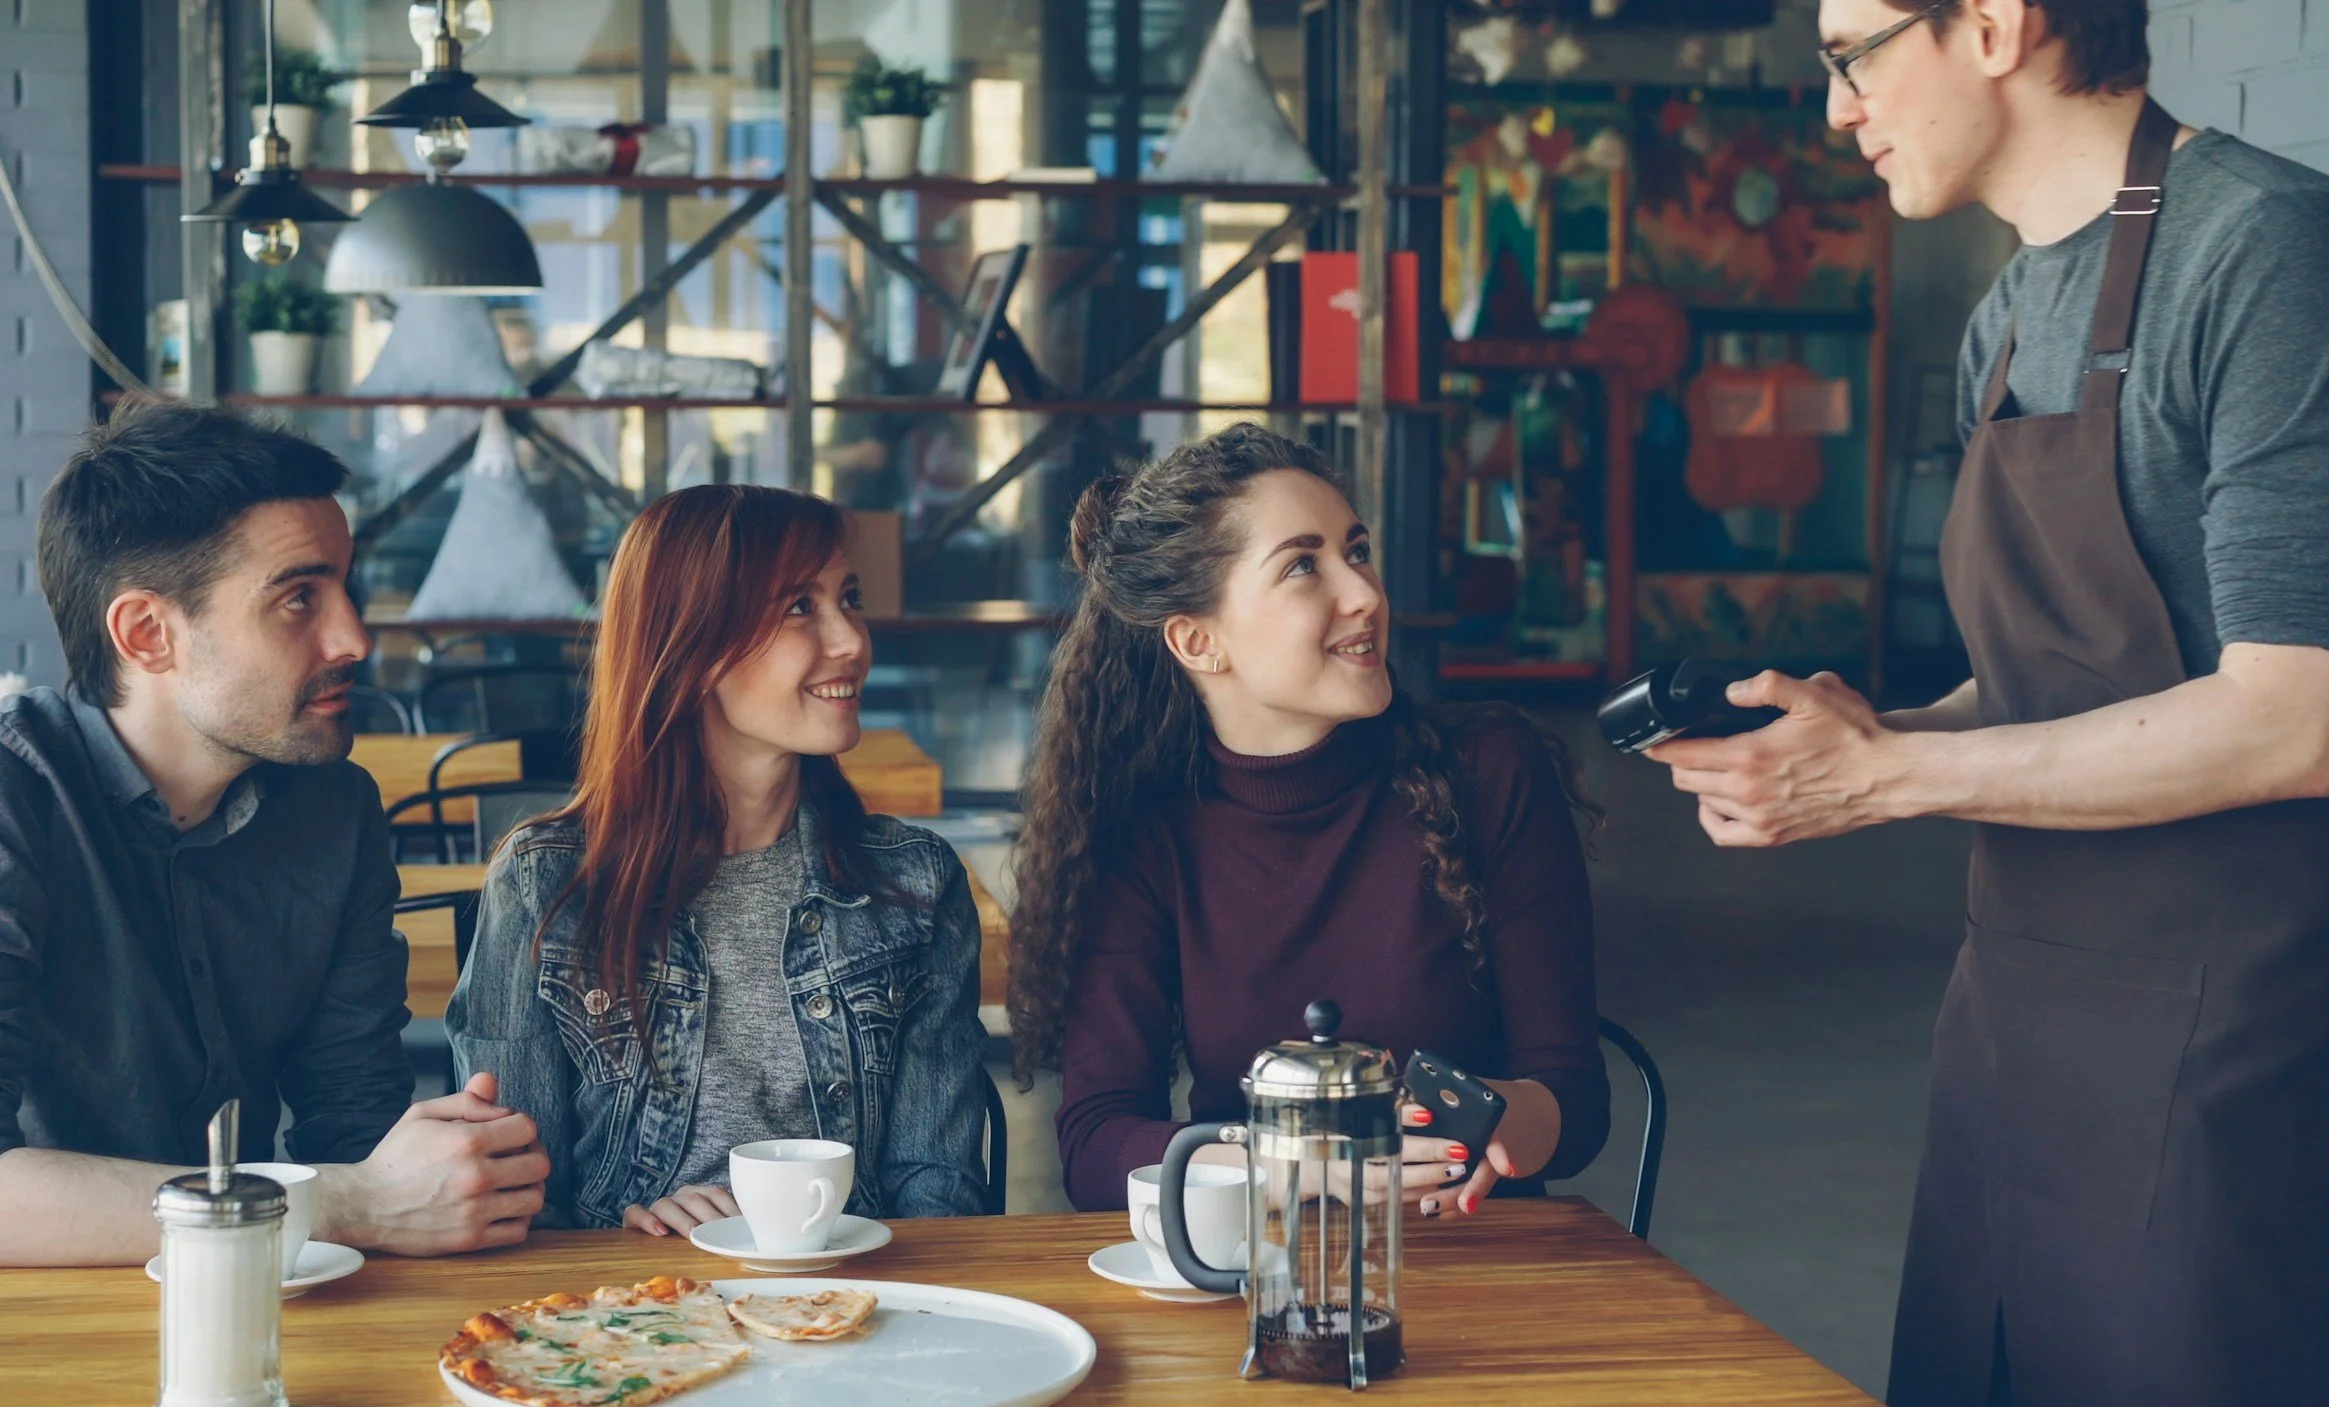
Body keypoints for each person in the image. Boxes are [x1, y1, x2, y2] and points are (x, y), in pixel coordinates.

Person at [1645, 3, 2329, 1402]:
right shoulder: (2009, 312)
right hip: (2014, 1023)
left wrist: (1891, 779)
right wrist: (1866, 738)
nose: (1836, 107)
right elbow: (2038, 693)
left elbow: (2300, 717)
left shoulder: (2272, 255)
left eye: (1852, 53)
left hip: (2225, 1040)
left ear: (1994, 25)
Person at [0, 401, 550, 1267]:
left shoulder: (333, 810)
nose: (355, 636)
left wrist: (442, 1179)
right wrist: (345, 1201)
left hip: (274, 1305)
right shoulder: (16, 800)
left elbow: (357, 1122)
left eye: (344, 585)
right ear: (148, 633)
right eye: (298, 598)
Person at [1011, 423, 1609, 1217]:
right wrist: (1303, 1159)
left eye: (1355, 551)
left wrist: (1489, 1119)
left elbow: (1572, 1097)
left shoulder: (1489, 770)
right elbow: (1095, 1145)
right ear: (1198, 640)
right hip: (1249, 1264)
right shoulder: (1145, 830)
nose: (1363, 593)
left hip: (1480, 1258)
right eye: (1303, 566)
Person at [449, 485, 989, 1233]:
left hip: (848, 1300)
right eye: (800, 606)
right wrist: (627, 1236)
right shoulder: (545, 884)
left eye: (849, 598)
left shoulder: (916, 884)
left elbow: (940, 1196)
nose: (852, 641)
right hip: (629, 1323)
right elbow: (509, 1203)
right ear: (693, 648)